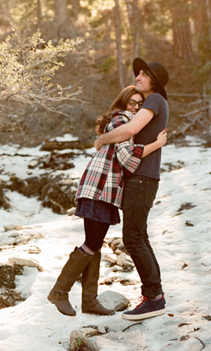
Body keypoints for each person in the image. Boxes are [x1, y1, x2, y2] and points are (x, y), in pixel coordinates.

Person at [48, 85, 167, 316]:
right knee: (91, 243)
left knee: (94, 242)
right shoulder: (122, 120)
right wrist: (157, 144)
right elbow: (126, 157)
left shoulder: (121, 121)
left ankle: (89, 301)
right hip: (100, 186)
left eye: (140, 104)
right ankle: (59, 292)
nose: (136, 107)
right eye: (132, 102)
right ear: (122, 103)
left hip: (104, 188)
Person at [93, 58, 169, 321]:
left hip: (142, 179)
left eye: (145, 74)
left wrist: (101, 139)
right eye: (139, 72)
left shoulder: (155, 100)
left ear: (154, 82)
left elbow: (130, 130)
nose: (139, 76)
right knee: (140, 236)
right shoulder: (152, 102)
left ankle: (153, 298)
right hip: (141, 179)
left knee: (133, 238)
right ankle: (154, 295)